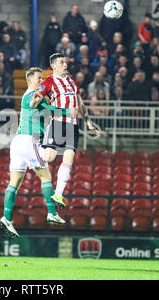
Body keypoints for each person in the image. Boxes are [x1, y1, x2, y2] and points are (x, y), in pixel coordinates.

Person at [0, 67, 77, 238]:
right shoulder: (32, 95)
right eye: (39, 78)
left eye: (43, 78)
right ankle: (51, 213)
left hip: (17, 143)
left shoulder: (30, 96)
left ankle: (6, 217)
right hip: (29, 140)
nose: (42, 81)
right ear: (30, 80)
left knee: (14, 183)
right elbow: (52, 110)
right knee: (46, 176)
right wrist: (69, 112)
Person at [37, 53, 102, 208]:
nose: (65, 65)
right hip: (58, 124)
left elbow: (81, 104)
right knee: (49, 157)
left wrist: (88, 121)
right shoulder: (49, 82)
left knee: (69, 158)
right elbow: (37, 98)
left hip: (73, 126)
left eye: (65, 62)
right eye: (61, 62)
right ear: (53, 66)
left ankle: (58, 195)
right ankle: (33, 149)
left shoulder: (73, 82)